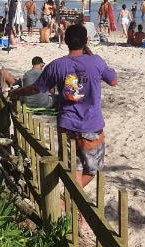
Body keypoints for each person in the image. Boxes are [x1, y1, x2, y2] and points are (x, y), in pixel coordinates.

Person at [11, 23, 117, 188]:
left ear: (65, 41)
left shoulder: (57, 65)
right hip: (91, 125)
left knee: (71, 168)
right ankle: (67, 200)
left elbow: (35, 88)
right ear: (87, 40)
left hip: (66, 125)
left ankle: (69, 200)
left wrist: (16, 93)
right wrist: (92, 55)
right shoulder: (96, 61)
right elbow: (113, 80)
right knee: (92, 169)